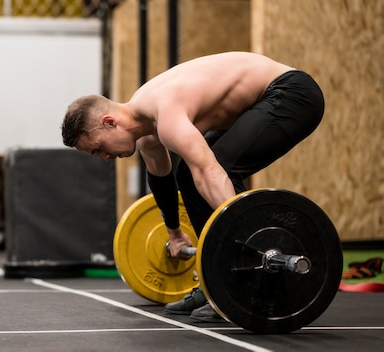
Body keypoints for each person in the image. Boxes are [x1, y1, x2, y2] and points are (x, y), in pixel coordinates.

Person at [60, 51, 325, 322]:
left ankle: (240, 281)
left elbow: (211, 173)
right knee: (186, 174)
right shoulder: (148, 134)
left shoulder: (166, 114)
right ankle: (214, 282)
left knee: (219, 168)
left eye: (98, 149)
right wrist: (175, 234)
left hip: (292, 94)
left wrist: (249, 242)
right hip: (257, 104)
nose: (105, 158)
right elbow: (163, 182)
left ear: (109, 122)